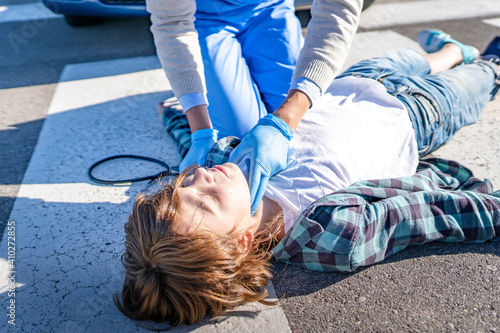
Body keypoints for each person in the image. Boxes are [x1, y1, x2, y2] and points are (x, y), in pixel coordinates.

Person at [115, 31, 500, 326]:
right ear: (243, 243)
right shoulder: (327, 231)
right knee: (482, 75)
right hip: (418, 113)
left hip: (345, 84)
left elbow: (200, 148)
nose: (199, 176)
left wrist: (184, 123)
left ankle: (448, 52)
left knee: (415, 59)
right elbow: (425, 214)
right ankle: (479, 61)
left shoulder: (229, 167)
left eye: (182, 185)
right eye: (206, 199)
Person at [146, 0, 363, 215]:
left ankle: (217, 96)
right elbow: (171, 23)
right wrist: (200, 128)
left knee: (301, 125)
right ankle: (194, 100)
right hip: (205, 19)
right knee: (240, 139)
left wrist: (284, 122)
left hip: (270, 9)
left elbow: (338, 8)